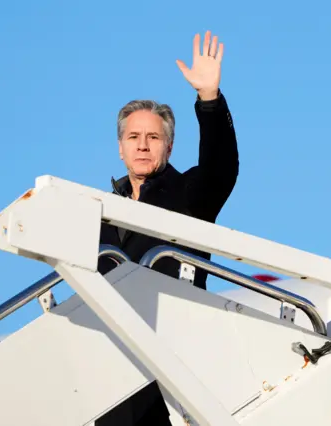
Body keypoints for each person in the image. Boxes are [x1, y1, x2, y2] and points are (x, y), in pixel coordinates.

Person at [95, 30, 239, 426]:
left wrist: (209, 99)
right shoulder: (98, 214)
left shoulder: (189, 194)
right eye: (134, 137)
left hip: (172, 365)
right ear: (120, 148)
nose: (143, 145)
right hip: (108, 369)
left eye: (153, 137)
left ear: (169, 147)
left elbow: (221, 167)